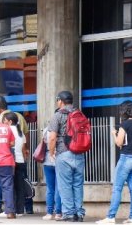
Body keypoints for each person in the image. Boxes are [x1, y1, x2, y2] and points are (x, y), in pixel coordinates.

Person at [96, 100, 132, 224]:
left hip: (126, 158)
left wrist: (113, 134)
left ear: (125, 111)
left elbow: (119, 143)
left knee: (117, 187)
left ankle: (111, 217)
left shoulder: (125, 124)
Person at [48, 91, 85, 222]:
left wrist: (51, 152)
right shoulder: (79, 113)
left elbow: (52, 138)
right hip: (79, 153)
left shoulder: (58, 115)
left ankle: (69, 213)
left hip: (64, 153)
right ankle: (79, 213)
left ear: (60, 101)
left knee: (65, 185)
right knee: (78, 184)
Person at [2, 111, 27, 217]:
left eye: (4, 121)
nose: (3, 123)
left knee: (9, 186)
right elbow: (23, 149)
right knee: (19, 187)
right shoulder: (20, 131)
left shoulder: (8, 130)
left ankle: (10, 209)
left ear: (10, 121)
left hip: (11, 161)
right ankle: (20, 210)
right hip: (21, 161)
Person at [42, 125, 62, 220]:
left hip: (47, 161)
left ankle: (49, 212)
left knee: (50, 188)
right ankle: (58, 212)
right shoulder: (62, 128)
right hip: (59, 160)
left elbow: (45, 141)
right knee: (59, 188)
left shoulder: (46, 129)